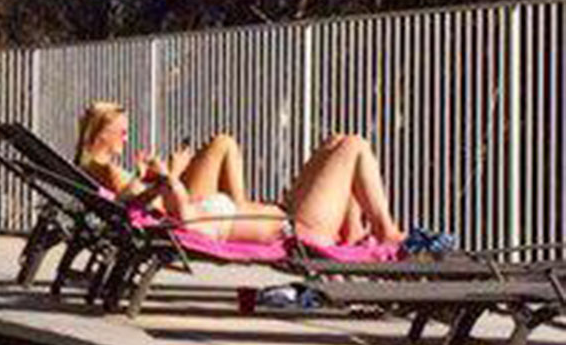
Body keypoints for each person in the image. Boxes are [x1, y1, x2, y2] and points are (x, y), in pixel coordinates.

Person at [75, 102, 404, 247]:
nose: (127, 138)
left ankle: (357, 232)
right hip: (295, 225)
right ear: (101, 133)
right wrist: (170, 174)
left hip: (284, 215)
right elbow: (131, 200)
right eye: (121, 132)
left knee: (336, 143)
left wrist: (166, 178)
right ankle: (385, 230)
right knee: (353, 146)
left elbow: (136, 200)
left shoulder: (181, 209)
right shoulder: (184, 214)